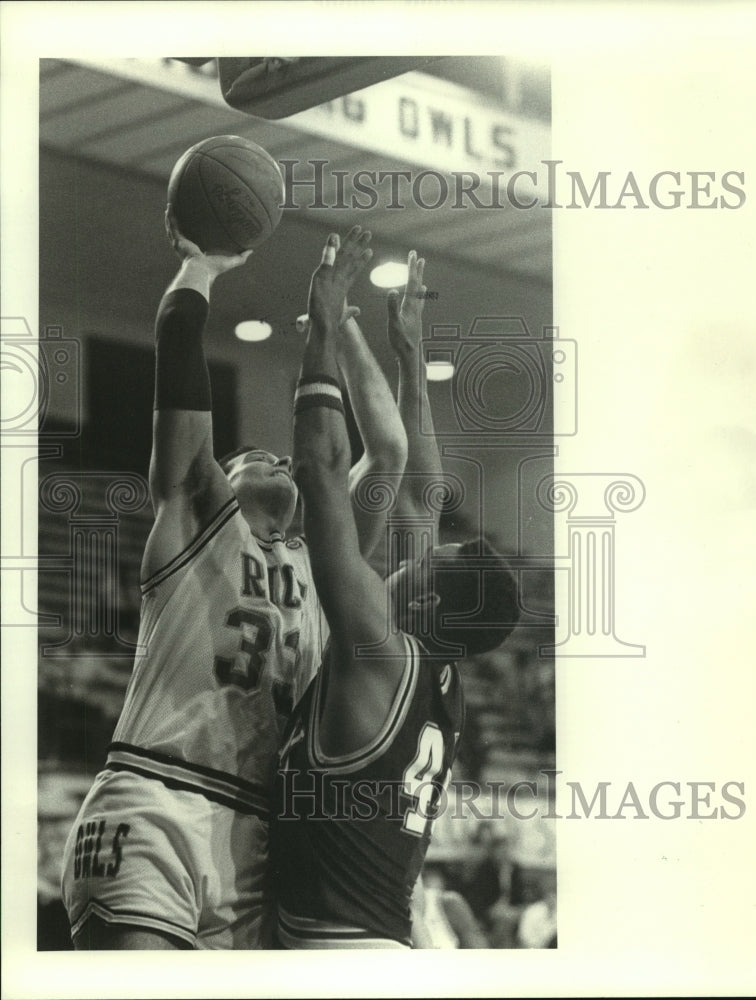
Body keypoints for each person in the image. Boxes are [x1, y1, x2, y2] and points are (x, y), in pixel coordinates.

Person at [60, 212, 407, 950]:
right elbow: (178, 349)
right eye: (256, 456)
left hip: (259, 834)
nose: (281, 460)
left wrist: (342, 324)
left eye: (286, 458)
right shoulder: (195, 516)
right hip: (156, 795)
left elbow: (388, 451)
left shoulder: (324, 565)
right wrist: (202, 269)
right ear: (222, 474)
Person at [271, 227, 520, 949]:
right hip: (379, 944)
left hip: (333, 950)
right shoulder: (439, 680)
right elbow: (420, 497)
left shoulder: (378, 649)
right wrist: (409, 354)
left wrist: (324, 326)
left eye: (427, 561)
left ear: (433, 599)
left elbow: (319, 472)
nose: (410, 557)